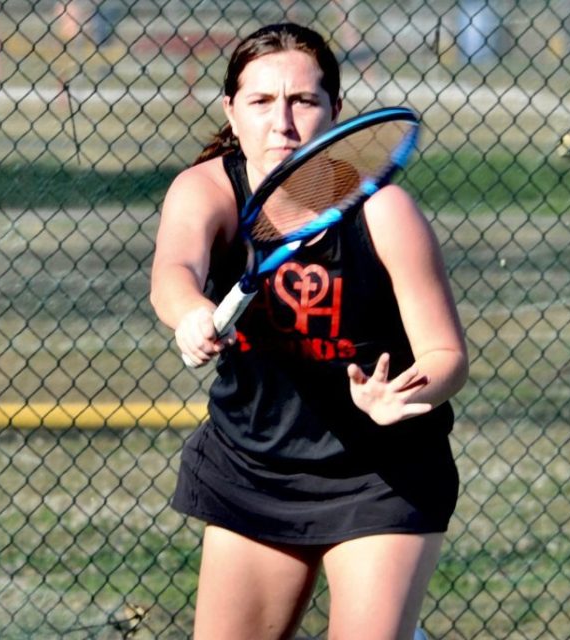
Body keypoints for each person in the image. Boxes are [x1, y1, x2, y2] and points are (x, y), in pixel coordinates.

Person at [150, 23, 468, 640]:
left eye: (304, 101)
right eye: (262, 102)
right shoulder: (207, 189)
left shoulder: (383, 209)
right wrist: (190, 311)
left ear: (336, 113)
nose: (283, 122)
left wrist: (407, 392)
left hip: (381, 473)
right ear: (231, 112)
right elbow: (173, 270)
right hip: (254, 466)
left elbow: (446, 353)